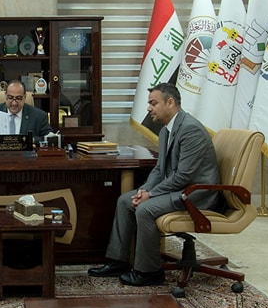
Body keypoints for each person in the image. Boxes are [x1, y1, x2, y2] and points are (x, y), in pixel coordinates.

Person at [88, 82, 222, 286]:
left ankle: (149, 272)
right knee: (125, 200)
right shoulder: (166, 130)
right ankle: (118, 262)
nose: (149, 108)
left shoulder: (191, 130)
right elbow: (160, 169)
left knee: (145, 209)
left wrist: (150, 195)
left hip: (196, 195)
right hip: (179, 190)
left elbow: (183, 176)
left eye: (153, 103)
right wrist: (144, 189)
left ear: (170, 102)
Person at [0, 80, 52, 146]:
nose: (14, 103)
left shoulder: (39, 116)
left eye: (18, 98)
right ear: (5, 95)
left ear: (25, 97)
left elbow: (50, 139)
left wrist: (32, 140)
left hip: (26, 158)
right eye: (10, 98)